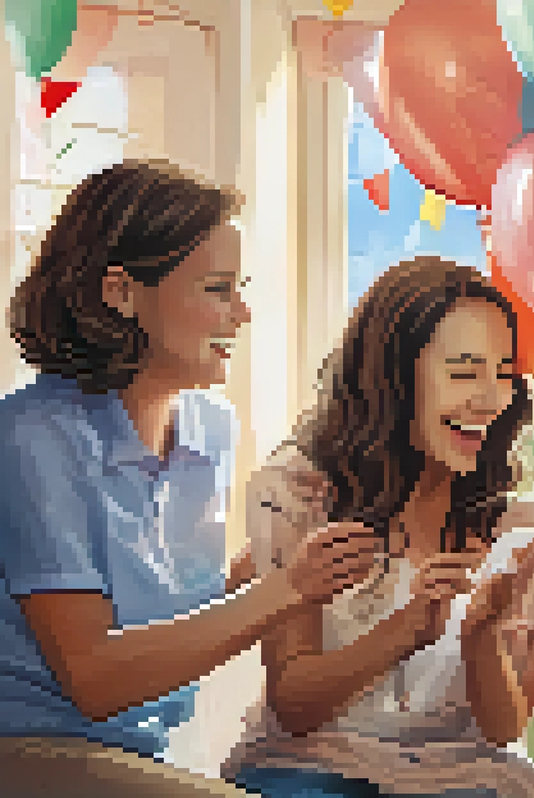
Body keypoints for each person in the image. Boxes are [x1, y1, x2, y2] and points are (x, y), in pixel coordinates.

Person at [0, 160, 379, 795]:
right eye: (217, 288)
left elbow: (173, 619)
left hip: (142, 757)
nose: (243, 313)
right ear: (120, 292)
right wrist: (287, 589)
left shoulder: (211, 427)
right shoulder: (35, 438)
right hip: (32, 756)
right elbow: (94, 679)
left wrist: (276, 554)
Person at [223, 257, 534, 798]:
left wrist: (479, 638)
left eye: (503, 373)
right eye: (463, 372)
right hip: (313, 769)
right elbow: (294, 707)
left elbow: (504, 729)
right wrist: (408, 629)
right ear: (392, 379)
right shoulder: (297, 495)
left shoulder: (520, 529)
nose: (492, 398)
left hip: (464, 778)